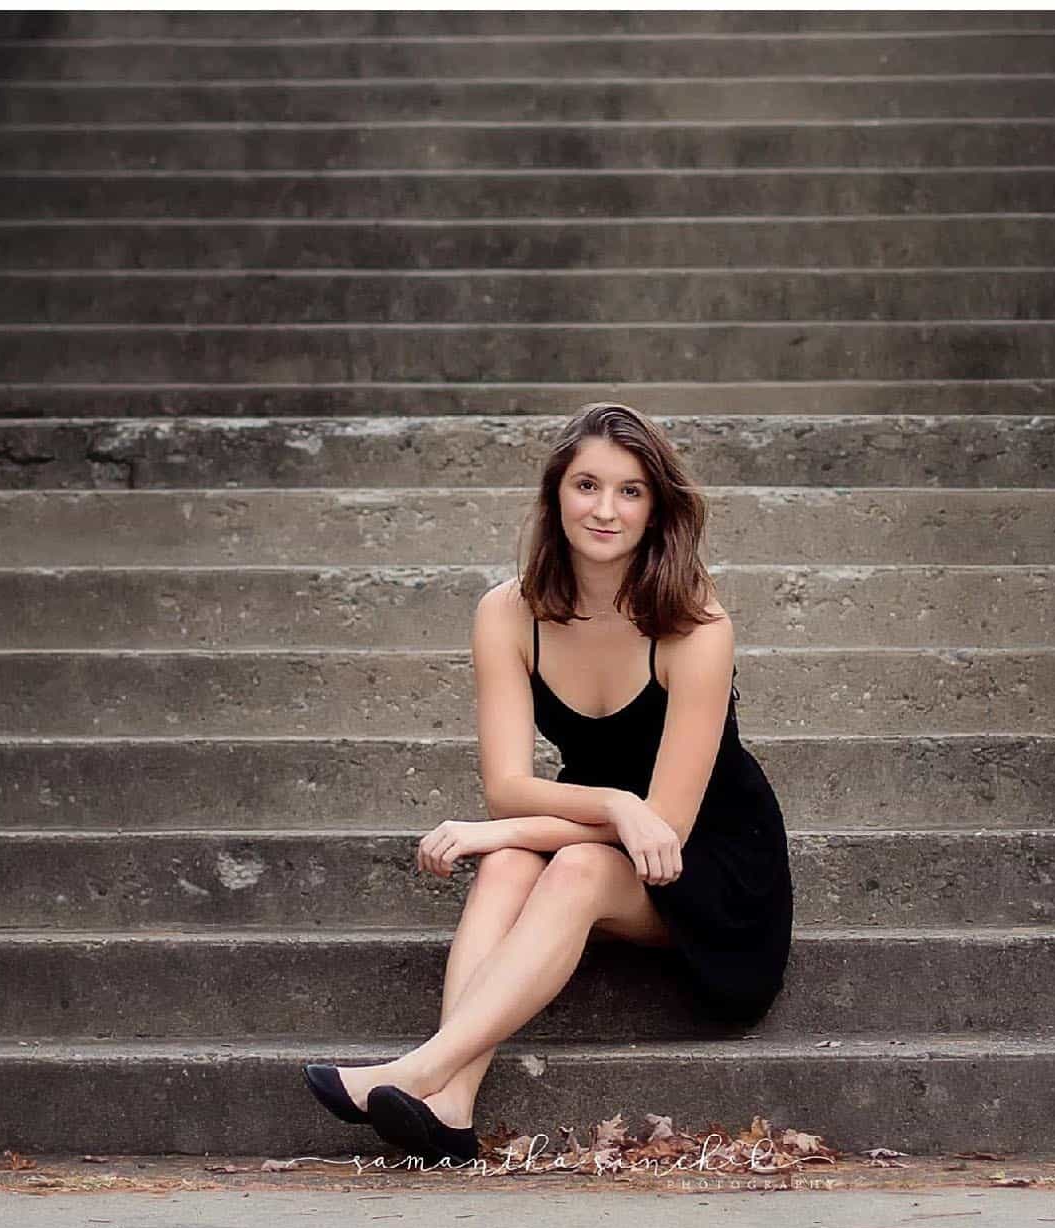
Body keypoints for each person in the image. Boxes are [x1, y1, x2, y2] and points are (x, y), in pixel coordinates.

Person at [303, 402, 795, 1166]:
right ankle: (454, 1111)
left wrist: (584, 818)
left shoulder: (696, 624)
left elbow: (663, 826)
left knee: (567, 863)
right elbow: (508, 787)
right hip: (596, 827)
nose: (605, 510)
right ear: (555, 494)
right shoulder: (508, 613)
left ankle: (421, 1069)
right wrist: (604, 804)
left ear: (657, 507)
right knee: (508, 859)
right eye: (587, 485)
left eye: (630, 491)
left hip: (711, 865)